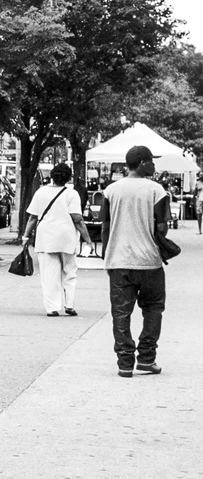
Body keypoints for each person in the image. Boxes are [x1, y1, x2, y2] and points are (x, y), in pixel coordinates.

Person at [100, 145, 169, 377]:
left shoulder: (111, 191)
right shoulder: (156, 191)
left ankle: (125, 363)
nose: (154, 165)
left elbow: (106, 227)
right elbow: (162, 227)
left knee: (121, 313)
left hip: (119, 261)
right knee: (153, 309)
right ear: (141, 163)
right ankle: (147, 359)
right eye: (151, 161)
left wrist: (106, 255)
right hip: (150, 262)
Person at [22, 162, 86, 317]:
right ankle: (69, 305)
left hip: (46, 238)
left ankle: (52, 308)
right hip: (67, 237)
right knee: (70, 272)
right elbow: (77, 219)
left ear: (52, 176)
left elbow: (32, 218)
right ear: (68, 178)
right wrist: (87, 238)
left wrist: (25, 236)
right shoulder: (72, 194)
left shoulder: (41, 192)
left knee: (49, 274)